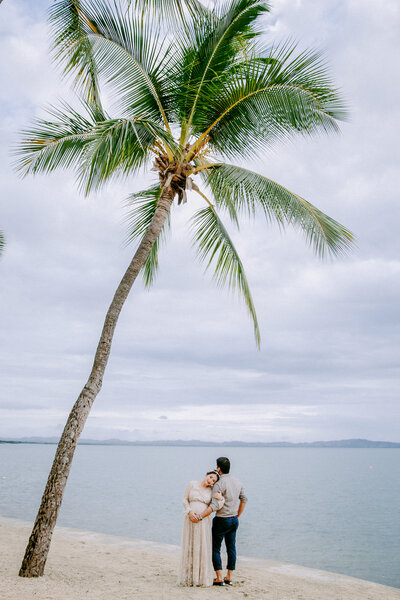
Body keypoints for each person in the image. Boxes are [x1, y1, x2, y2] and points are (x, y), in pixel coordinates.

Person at [196, 456, 247, 586]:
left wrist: (200, 516)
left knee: (215, 548)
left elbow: (213, 506)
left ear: (218, 468)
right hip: (234, 519)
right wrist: (238, 515)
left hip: (221, 520)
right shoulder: (237, 481)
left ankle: (219, 577)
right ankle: (229, 577)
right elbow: (244, 499)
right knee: (231, 548)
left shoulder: (219, 483)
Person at [178, 470, 224, 587]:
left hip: (203, 521)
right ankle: (188, 576)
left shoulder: (212, 490)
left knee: (201, 546)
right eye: (210, 477)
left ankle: (199, 578)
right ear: (206, 474)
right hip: (190, 518)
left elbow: (218, 504)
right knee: (190, 545)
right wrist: (189, 511)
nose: (210, 481)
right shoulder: (192, 484)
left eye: (213, 480)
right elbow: (184, 499)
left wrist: (220, 498)